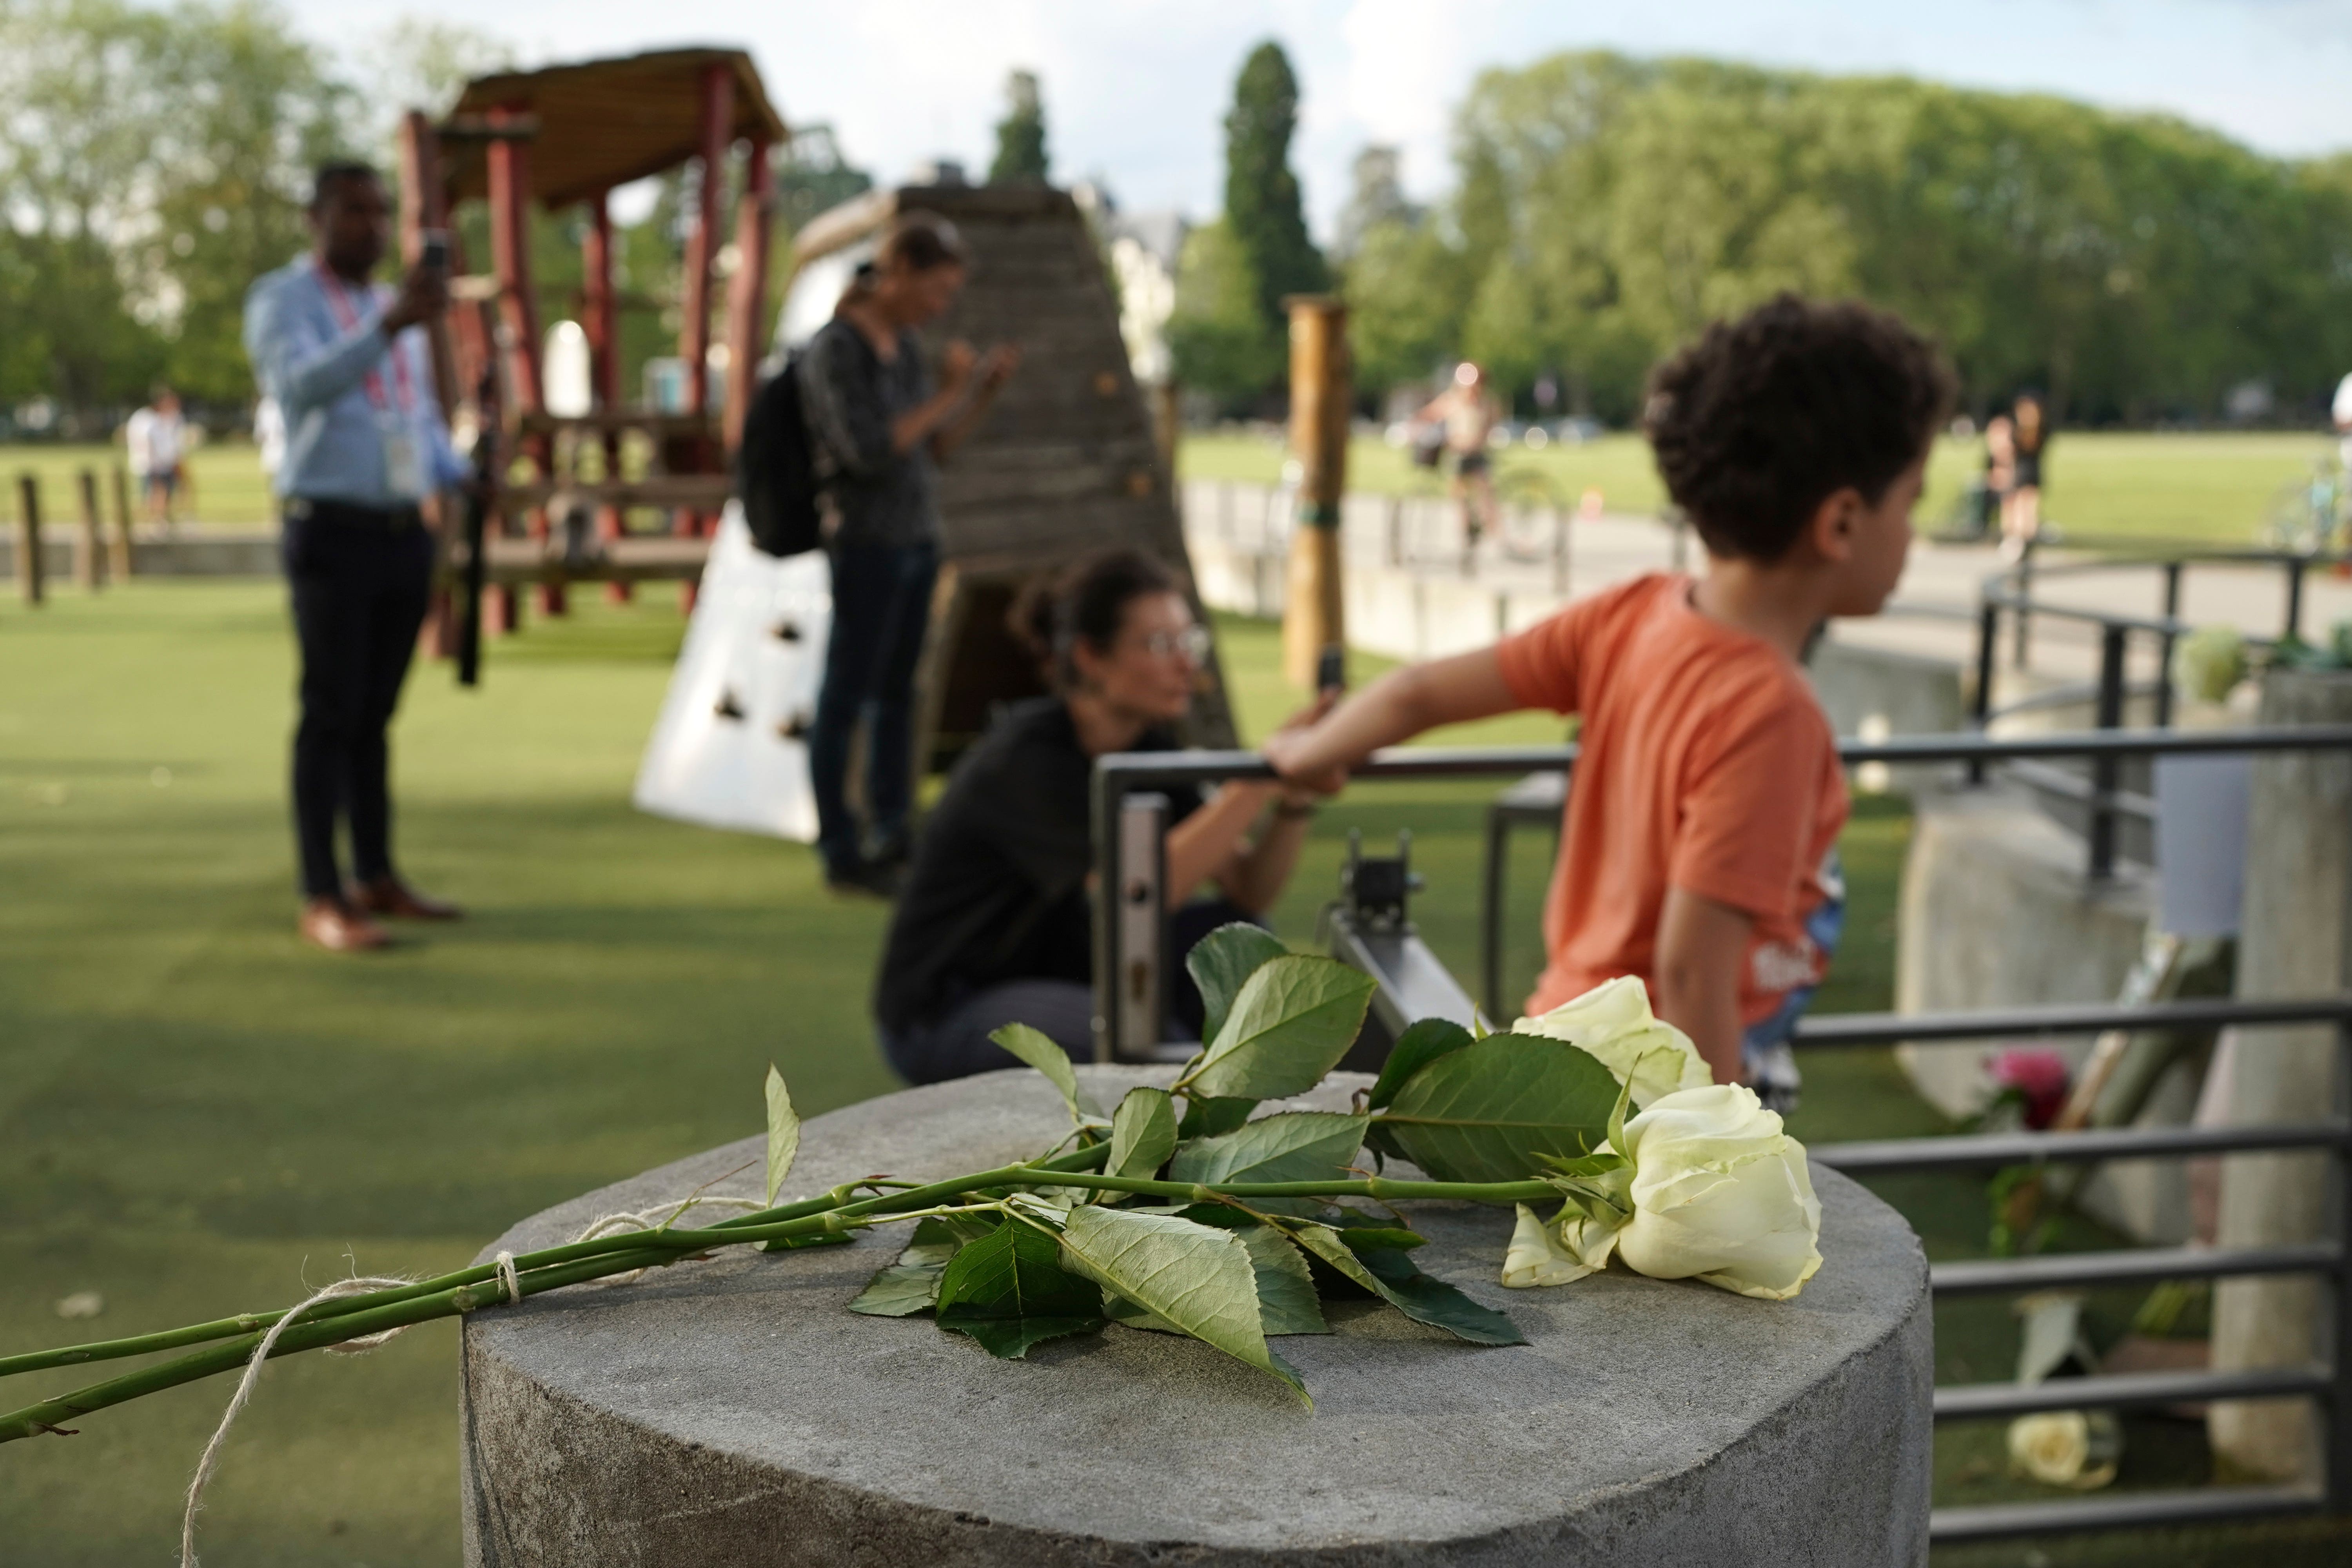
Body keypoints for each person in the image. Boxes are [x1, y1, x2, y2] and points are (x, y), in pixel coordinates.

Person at [1267, 295, 1953, 1102]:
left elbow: (1421, 691)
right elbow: (1694, 974)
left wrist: (1307, 753)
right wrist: (1722, 1160)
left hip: (1561, 1058)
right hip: (1644, 1100)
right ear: (1840, 522)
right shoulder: (1773, 712)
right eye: (1911, 500)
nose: (1913, 530)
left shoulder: (1634, 612)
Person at [871, 547, 1323, 1085]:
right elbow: (1127, 897)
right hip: (951, 1007)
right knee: (1151, 1064)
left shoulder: (1150, 747)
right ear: (1090, 656)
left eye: (1188, 641)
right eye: (1160, 644)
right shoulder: (1025, 760)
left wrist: (1296, 796)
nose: (1186, 662)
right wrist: (1257, 783)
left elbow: (1248, 887)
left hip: (1064, 975)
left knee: (1240, 937)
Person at [242, 161, 467, 953]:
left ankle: (375, 872)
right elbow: (297, 389)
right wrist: (389, 327)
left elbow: (414, 416)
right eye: (353, 211)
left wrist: (462, 468)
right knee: (330, 714)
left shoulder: (388, 307)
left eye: (380, 212)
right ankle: (322, 891)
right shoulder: (286, 300)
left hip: (401, 530)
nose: (370, 226)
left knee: (375, 716)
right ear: (317, 217)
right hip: (329, 529)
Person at [799, 214, 1019, 897]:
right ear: (895, 274)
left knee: (897, 695)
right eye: (935, 288)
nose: (941, 304)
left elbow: (934, 449)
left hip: (918, 540)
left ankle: (893, 833)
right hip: (866, 543)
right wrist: (952, 391)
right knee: (846, 696)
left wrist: (978, 393)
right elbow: (870, 450)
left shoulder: (905, 346)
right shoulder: (837, 350)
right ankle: (841, 845)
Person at [1416, 361, 1502, 564]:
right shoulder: (1453, 400)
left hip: (1476, 453)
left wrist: (1478, 440)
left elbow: (1489, 427)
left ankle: (1495, 535)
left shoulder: (1486, 403)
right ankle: (1466, 534)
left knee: (1485, 493)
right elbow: (1431, 413)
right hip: (1458, 454)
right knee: (1460, 495)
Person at [125, 385, 189, 532]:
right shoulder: (147, 419)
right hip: (153, 464)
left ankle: (159, 520)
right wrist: (153, 463)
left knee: (162, 493)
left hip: (161, 462)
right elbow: (147, 443)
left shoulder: (156, 418)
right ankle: (155, 522)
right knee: (156, 493)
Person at [2000, 391, 2050, 562]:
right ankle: (2026, 543)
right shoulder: (2041, 429)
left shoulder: (2022, 430)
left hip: (2022, 472)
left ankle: (2019, 542)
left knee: (2020, 508)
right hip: (2032, 472)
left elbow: (2010, 451)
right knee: (2027, 508)